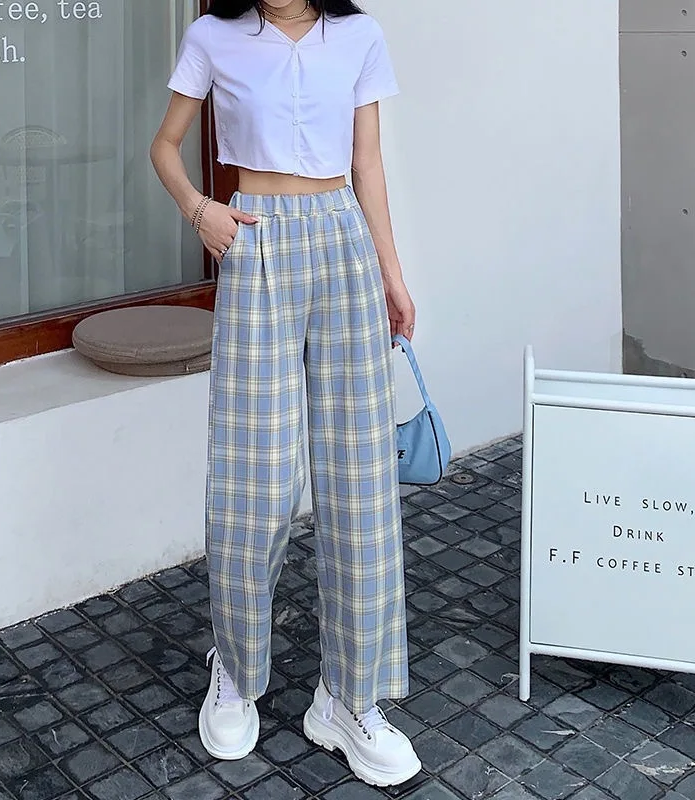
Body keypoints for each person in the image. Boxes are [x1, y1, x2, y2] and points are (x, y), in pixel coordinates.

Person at [151, 0, 420, 787]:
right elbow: (164, 146)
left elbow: (368, 164)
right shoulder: (213, 36)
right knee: (256, 479)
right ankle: (235, 672)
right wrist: (200, 209)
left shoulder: (359, 35)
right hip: (257, 239)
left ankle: (350, 696)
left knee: (359, 480)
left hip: (342, 240)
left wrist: (392, 274)